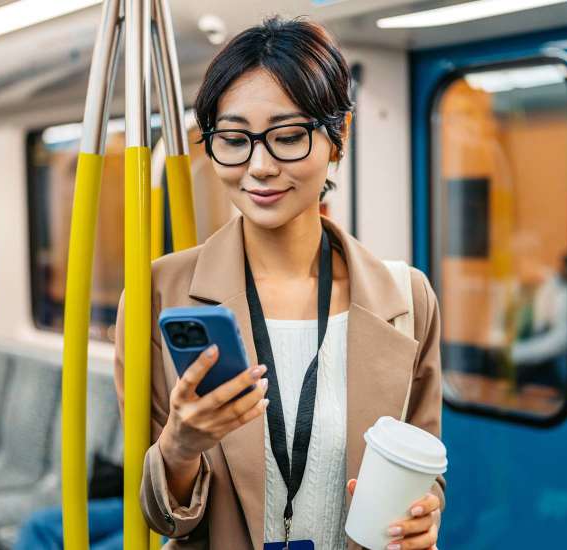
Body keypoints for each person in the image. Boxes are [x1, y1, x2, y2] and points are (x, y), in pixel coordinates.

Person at [114, 16, 444, 550]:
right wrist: (180, 446)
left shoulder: (408, 299)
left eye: (288, 137)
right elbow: (162, 517)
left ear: (339, 137)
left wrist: (425, 515)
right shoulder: (160, 294)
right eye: (235, 139)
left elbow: (425, 465)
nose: (260, 166)